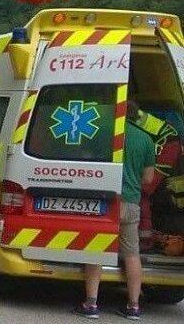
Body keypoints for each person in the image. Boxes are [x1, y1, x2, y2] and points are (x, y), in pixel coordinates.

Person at [75, 101, 154, 320]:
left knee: (97, 250)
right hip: (131, 203)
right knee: (131, 254)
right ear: (136, 115)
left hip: (105, 202)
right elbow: (148, 178)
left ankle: (91, 304)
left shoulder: (105, 134)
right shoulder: (145, 139)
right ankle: (133, 306)